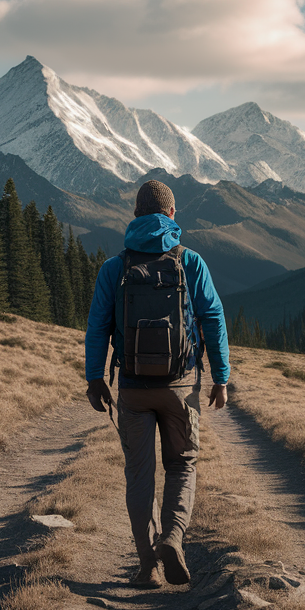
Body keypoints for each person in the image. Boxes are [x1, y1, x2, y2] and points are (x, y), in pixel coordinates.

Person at [84, 179, 229, 588]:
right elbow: (213, 319)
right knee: (182, 465)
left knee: (139, 474)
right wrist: (221, 377)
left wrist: (96, 378)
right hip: (181, 386)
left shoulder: (115, 267)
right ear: (172, 213)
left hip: (131, 387)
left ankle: (147, 564)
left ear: (135, 214)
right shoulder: (190, 261)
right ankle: (173, 537)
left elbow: (97, 327)